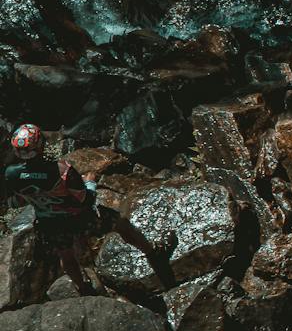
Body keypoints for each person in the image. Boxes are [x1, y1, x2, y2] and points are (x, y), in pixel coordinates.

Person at [4, 125, 174, 295]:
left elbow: (15, 201)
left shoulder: (11, 174)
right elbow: (86, 199)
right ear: (40, 145)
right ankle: (154, 254)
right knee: (121, 224)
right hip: (79, 219)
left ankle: (83, 288)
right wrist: (90, 182)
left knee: (66, 255)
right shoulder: (63, 171)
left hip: (50, 224)